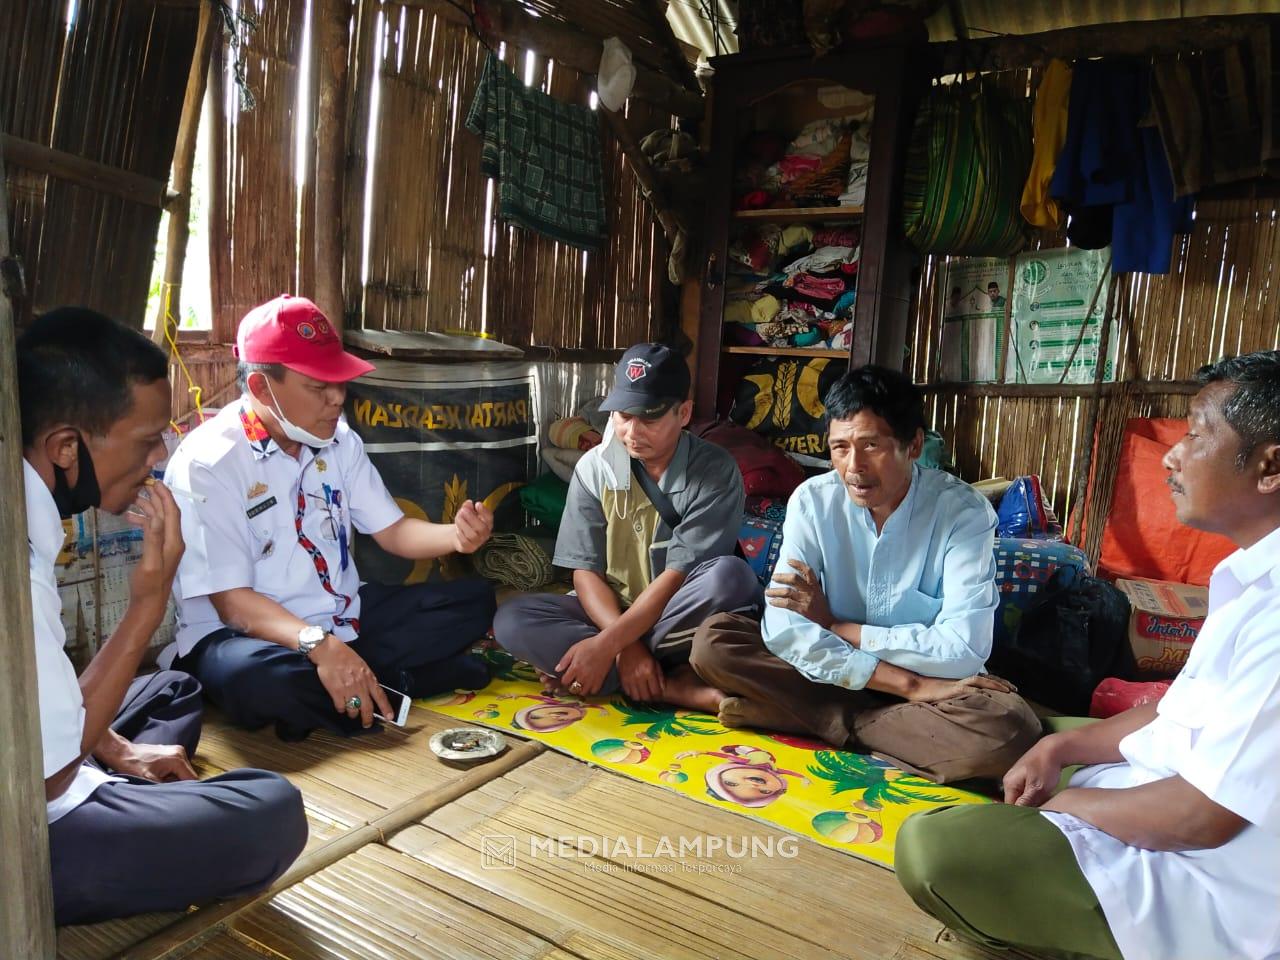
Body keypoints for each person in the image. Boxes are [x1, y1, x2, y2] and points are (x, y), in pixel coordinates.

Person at [895, 350, 1280, 960]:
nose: (1175, 455)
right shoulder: (1249, 573)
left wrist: (1074, 805)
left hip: (1220, 880)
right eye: (842, 447)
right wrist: (1060, 748)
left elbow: (1202, 818)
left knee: (931, 850)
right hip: (1170, 780)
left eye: (1198, 434)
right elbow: (1178, 707)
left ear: (1270, 466)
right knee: (1039, 737)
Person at [18, 308, 306, 924]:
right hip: (24, 835)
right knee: (272, 808)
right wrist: (149, 603)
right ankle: (122, 817)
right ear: (67, 447)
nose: (160, 455)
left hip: (42, 753)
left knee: (171, 688)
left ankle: (125, 779)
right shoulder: (11, 554)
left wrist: (116, 749)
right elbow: (41, 779)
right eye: (147, 438)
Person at [161, 295, 496, 740]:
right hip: (248, 636)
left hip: (340, 619)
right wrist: (318, 646)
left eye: (339, 382)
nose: (337, 399)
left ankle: (356, 686)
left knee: (472, 601)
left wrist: (455, 536)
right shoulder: (209, 462)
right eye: (319, 387)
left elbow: (394, 532)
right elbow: (233, 604)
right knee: (257, 682)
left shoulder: (338, 441)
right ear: (261, 388)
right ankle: (401, 683)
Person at [691, 365, 1041, 783]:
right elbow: (785, 626)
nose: (853, 467)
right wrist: (906, 686)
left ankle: (807, 717)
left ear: (912, 445)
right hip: (884, 684)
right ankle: (859, 724)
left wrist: (839, 626)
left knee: (1009, 729)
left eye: (870, 445)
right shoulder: (813, 501)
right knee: (715, 641)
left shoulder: (962, 514)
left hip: (926, 689)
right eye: (839, 448)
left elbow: (964, 650)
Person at [494, 343, 759, 709]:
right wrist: (625, 646)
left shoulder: (715, 470)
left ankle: (606, 671)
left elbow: (677, 577)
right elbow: (585, 572)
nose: (632, 432)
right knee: (512, 619)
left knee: (731, 578)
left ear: (683, 414)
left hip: (677, 611)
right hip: (613, 612)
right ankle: (666, 684)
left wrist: (605, 646)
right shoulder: (593, 469)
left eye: (649, 419)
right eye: (622, 415)